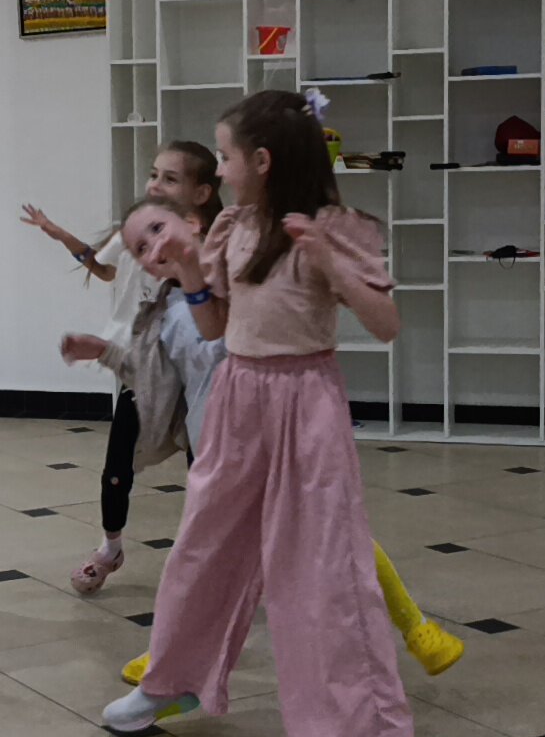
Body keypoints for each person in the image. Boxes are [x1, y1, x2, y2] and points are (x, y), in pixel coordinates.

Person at [99, 90, 419, 737]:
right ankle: (172, 681)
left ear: (263, 161)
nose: (220, 168)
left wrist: (329, 262)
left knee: (326, 570)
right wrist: (189, 270)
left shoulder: (336, 228)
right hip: (240, 397)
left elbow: (387, 323)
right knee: (202, 548)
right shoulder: (232, 227)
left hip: (307, 401)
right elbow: (215, 328)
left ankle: (387, 733)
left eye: (226, 155)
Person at [62, 195, 463, 694]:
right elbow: (155, 376)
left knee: (337, 537)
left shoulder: (236, 285)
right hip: (218, 456)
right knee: (204, 560)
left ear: (194, 222)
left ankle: (414, 627)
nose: (152, 248)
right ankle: (171, 660)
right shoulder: (162, 311)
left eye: (159, 229)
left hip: (273, 444)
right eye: (140, 247)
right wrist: (103, 351)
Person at [19, 141, 219, 594]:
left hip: (201, 378)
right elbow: (104, 267)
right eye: (154, 174)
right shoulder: (137, 228)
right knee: (117, 465)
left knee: (204, 471)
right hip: (143, 368)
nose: (156, 184)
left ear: (201, 194)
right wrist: (59, 234)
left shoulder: (214, 246)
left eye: (170, 178)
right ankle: (110, 548)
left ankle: (210, 558)